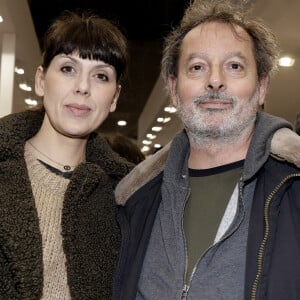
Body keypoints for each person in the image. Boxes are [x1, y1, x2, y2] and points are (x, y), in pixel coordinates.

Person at [113, 1, 300, 299]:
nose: (215, 81)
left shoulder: (292, 189)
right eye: (197, 67)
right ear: (174, 89)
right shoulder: (134, 202)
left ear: (262, 87)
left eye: (234, 66)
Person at [0, 10, 133, 299]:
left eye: (101, 76)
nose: (83, 87)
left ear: (114, 98)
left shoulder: (124, 198)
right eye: (68, 69)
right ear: (41, 80)